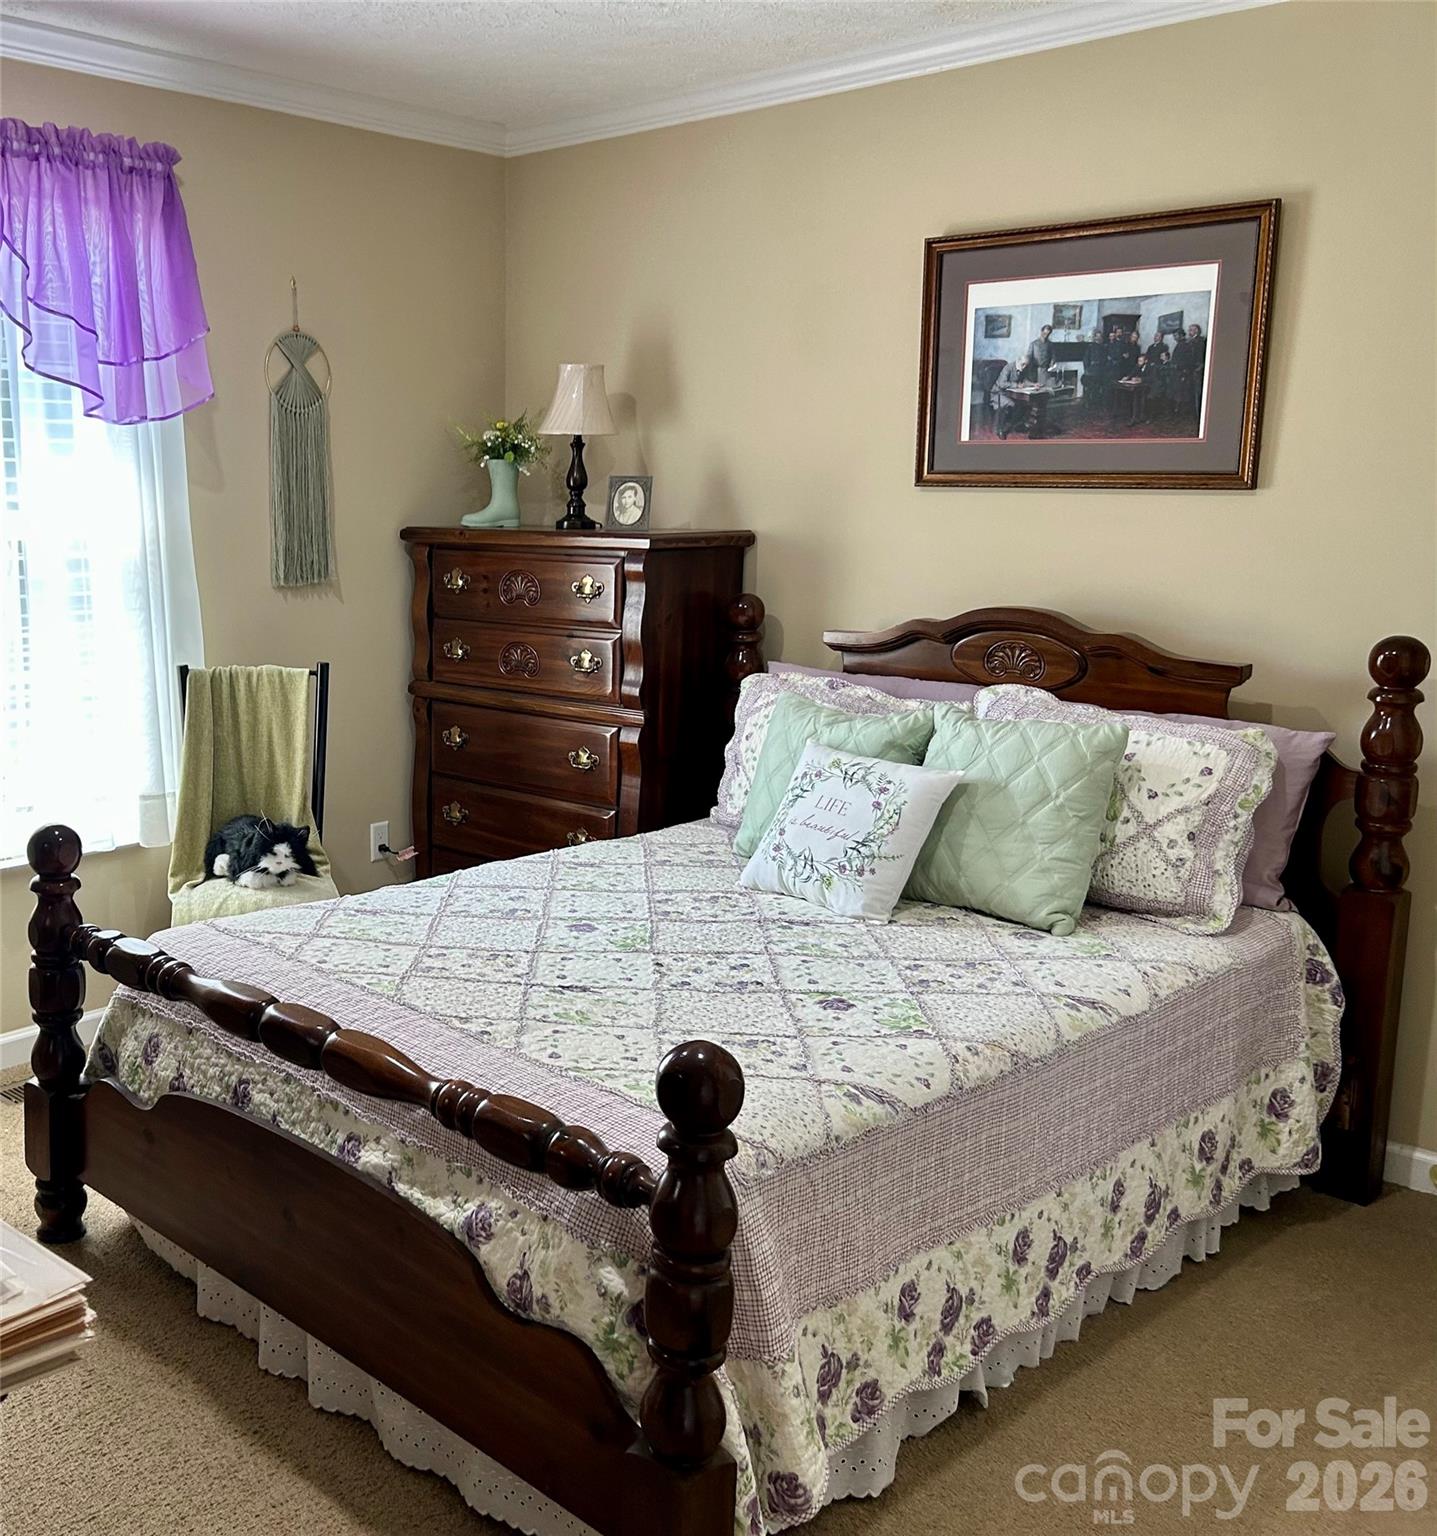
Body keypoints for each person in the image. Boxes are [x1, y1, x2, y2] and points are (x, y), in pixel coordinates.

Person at [1171, 323, 1206, 420]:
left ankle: (1198, 416)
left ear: (1196, 331)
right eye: (1189, 329)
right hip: (1188, 370)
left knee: (1195, 393)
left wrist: (1197, 367)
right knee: (1187, 392)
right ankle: (1191, 414)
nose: (1189, 331)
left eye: (1191, 329)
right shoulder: (1188, 342)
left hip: (1194, 370)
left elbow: (1196, 357)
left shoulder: (1200, 341)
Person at [990, 356, 1029, 440]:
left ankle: (1013, 425)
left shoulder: (1022, 368)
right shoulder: (1008, 368)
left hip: (1010, 394)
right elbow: (1001, 383)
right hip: (998, 393)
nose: (1024, 367)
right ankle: (1001, 430)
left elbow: (1024, 381)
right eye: (1023, 364)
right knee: (1011, 404)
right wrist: (1016, 385)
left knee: (1024, 404)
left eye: (1026, 365)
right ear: (1018, 361)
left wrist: (1033, 384)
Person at [1083, 327, 1109, 414]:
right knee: (1090, 387)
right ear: (1094, 338)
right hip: (1092, 370)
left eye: (1100, 336)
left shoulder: (1104, 347)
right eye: (1097, 336)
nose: (1098, 338)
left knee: (1098, 388)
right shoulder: (1090, 347)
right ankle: (1087, 403)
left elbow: (1105, 359)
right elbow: (1086, 359)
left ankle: (1096, 403)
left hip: (1100, 370)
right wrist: (1087, 369)